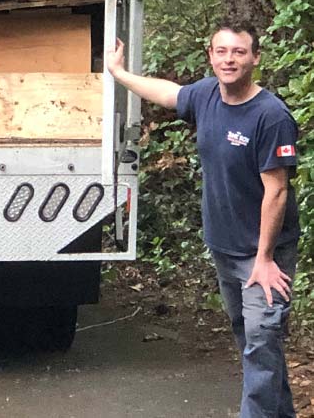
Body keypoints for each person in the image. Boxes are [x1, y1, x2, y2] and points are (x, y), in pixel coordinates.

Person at [107, 22, 299, 418]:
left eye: (239, 52)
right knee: (251, 337)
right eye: (222, 52)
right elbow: (167, 93)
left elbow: (276, 191)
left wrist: (264, 258)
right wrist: (119, 73)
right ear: (211, 56)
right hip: (224, 247)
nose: (229, 60)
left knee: (261, 340)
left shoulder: (271, 116)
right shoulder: (206, 95)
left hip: (262, 253)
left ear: (255, 58)